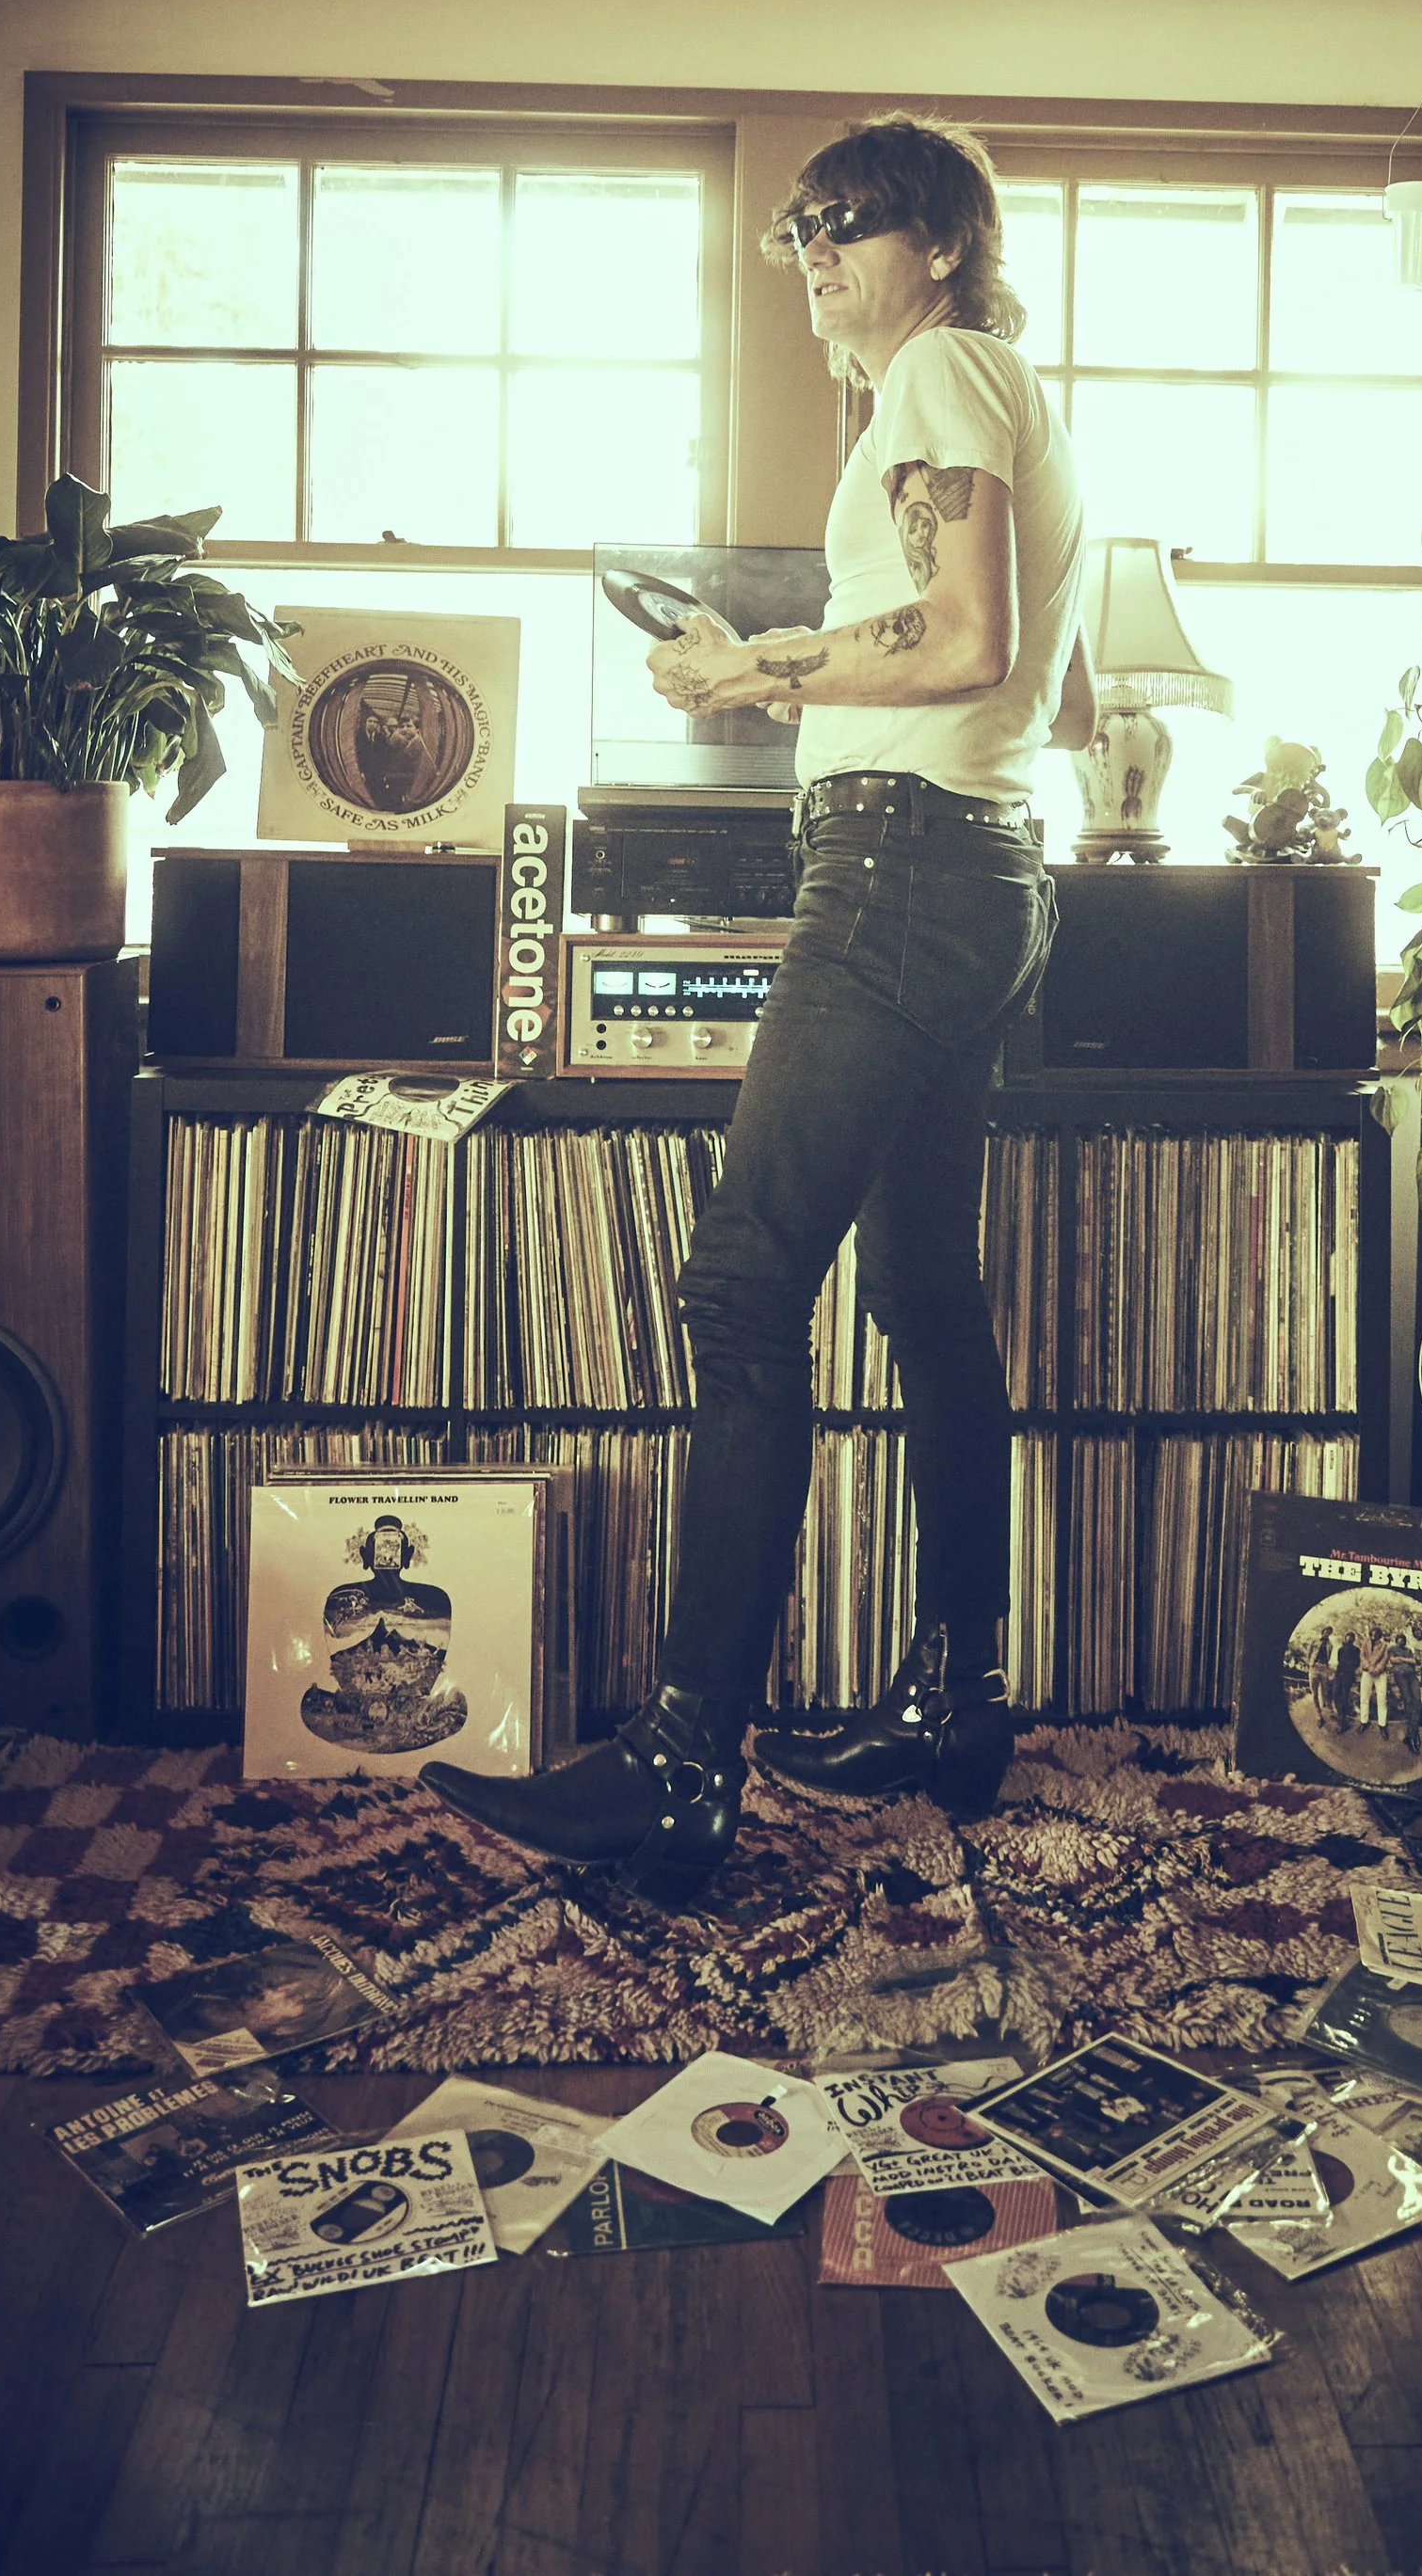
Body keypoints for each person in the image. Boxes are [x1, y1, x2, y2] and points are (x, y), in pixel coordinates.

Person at [424, 113, 1089, 1900]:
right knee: (931, 1298)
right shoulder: (1009, 396)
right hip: (989, 875)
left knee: (740, 1286)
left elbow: (959, 642)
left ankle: (675, 1765)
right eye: (798, 226)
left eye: (848, 221)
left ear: (939, 241)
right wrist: (824, 678)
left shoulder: (940, 373)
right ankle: (960, 1703)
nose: (811, 252)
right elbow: (1059, 689)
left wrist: (755, 664)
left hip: (893, 878)